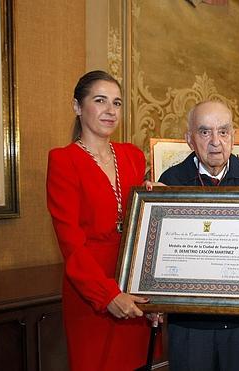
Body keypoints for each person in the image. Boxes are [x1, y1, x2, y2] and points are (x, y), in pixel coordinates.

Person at [47, 70, 158, 370]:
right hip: (92, 293)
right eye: (100, 100)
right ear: (77, 107)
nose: (111, 110)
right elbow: (70, 243)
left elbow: (142, 224)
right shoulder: (63, 161)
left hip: (134, 285)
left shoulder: (132, 155)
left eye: (117, 103)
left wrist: (157, 199)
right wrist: (107, 294)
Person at [158, 100, 239, 371]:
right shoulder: (170, 184)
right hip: (189, 325)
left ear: (234, 136)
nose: (215, 141)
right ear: (189, 139)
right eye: (204, 132)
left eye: (223, 131)